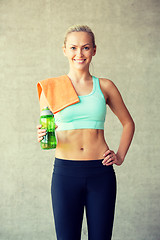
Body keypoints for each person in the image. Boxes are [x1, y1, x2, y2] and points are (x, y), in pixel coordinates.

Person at [37, 25, 135, 240]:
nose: (79, 54)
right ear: (64, 50)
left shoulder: (106, 86)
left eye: (85, 47)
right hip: (65, 173)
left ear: (94, 50)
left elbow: (128, 123)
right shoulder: (50, 88)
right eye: (73, 47)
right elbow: (47, 129)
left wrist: (120, 155)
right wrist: (42, 134)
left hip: (101, 173)